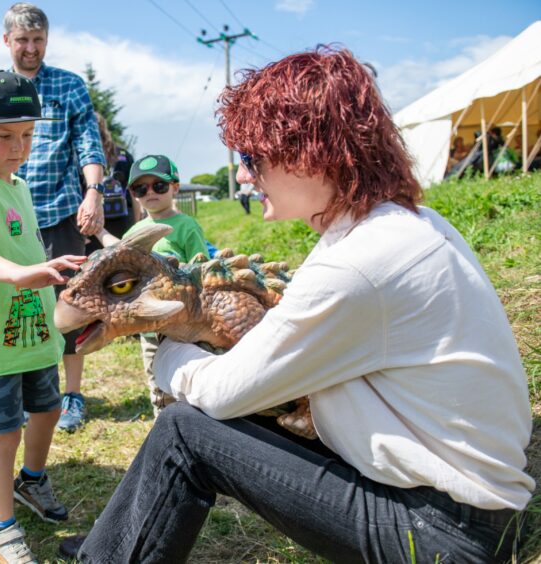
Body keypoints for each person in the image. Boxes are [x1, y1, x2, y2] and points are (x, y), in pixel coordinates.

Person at [64, 47, 534, 563]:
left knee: (185, 429)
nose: (243, 177)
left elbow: (222, 393)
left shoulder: (358, 264)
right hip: (463, 507)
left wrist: (170, 350)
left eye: (251, 160)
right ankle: (106, 544)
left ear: (309, 153)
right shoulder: (399, 224)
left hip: (442, 532)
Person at [0, 70, 83, 563]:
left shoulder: (20, 186)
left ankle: (32, 480)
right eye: (4, 135)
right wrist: (18, 274)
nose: (19, 146)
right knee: (4, 430)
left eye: (27, 135)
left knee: (47, 409)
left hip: (36, 337)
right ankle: (1, 531)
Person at [0, 2, 108, 432]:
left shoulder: (68, 85)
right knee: (22, 306)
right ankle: (34, 395)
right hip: (11, 215)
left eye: (38, 40)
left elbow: (88, 144)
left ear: (47, 39)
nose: (30, 49)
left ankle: (72, 395)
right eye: (22, 40)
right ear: (7, 41)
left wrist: (93, 192)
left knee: (70, 305)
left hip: (62, 212)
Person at [95, 154, 209, 415]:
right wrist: (99, 233)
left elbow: (200, 271)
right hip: (149, 328)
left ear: (175, 187)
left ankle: (193, 426)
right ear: (133, 194)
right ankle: (164, 427)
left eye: (159, 186)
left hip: (182, 324)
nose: (150, 193)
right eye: (140, 188)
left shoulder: (186, 226)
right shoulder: (135, 231)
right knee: (157, 381)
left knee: (188, 379)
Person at [83, 112, 139, 255]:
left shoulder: (84, 157)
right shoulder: (124, 155)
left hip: (93, 223)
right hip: (124, 221)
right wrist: (137, 224)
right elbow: (134, 194)